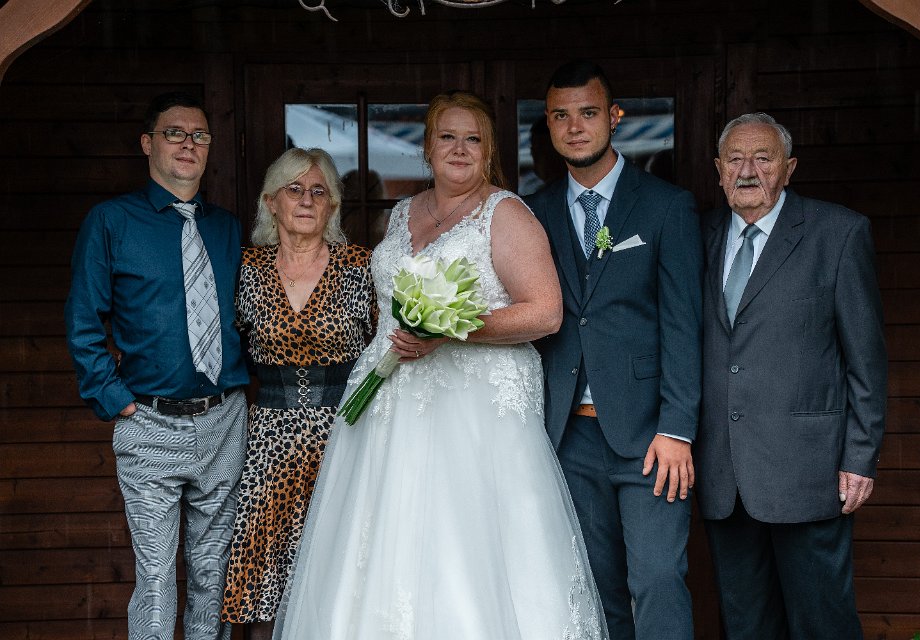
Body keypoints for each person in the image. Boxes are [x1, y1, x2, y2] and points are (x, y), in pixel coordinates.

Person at [273, 90, 608, 639]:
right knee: (385, 542)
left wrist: (450, 330)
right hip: (390, 407)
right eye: (447, 137)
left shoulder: (505, 214)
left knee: (463, 544)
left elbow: (545, 313)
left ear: (488, 151)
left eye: (473, 139)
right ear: (427, 147)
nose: (459, 149)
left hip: (473, 415)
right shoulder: (403, 212)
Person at [526, 60, 703, 640]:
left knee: (656, 579)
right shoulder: (534, 212)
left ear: (615, 116)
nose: (575, 127)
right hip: (568, 437)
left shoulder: (665, 206)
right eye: (561, 116)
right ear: (548, 124)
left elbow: (684, 325)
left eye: (588, 112)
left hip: (649, 435)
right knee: (597, 589)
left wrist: (677, 428)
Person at [695, 112, 887, 639]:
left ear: (789, 167)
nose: (747, 171)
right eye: (735, 159)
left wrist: (860, 457)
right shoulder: (699, 235)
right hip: (724, 474)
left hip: (809, 472)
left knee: (822, 623)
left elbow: (866, 360)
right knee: (747, 626)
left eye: (763, 158)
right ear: (718, 169)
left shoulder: (838, 233)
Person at [64, 92, 249, 640]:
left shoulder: (226, 228)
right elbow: (83, 317)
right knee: (156, 577)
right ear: (148, 143)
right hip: (149, 421)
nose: (189, 144)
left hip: (223, 419)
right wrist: (114, 398)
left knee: (213, 572)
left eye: (199, 135)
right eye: (175, 133)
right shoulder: (111, 222)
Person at [220, 148, 377, 638]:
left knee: (342, 560)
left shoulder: (360, 267)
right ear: (271, 202)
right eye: (294, 189)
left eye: (318, 191)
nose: (306, 200)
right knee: (265, 573)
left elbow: (388, 352)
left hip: (346, 433)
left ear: (332, 206)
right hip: (269, 440)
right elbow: (220, 344)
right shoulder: (246, 268)